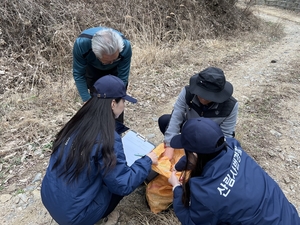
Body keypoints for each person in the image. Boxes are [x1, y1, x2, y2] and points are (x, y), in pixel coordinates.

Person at [41, 75, 158, 225]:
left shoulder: (76, 122)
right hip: (75, 217)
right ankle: (100, 216)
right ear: (113, 103)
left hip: (49, 198)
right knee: (118, 180)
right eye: (123, 101)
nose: (124, 106)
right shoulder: (107, 137)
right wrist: (147, 161)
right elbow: (122, 185)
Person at [168, 117, 300, 225]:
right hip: (289, 217)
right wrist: (181, 165)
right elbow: (204, 152)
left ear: (195, 155)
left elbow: (191, 220)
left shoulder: (207, 193)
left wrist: (176, 188)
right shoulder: (232, 146)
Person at [159, 66, 238, 160]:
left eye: (208, 96)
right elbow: (176, 116)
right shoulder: (187, 92)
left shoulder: (230, 106)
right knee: (165, 120)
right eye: (201, 93)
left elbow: (226, 136)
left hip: (211, 139)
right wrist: (169, 145)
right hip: (191, 128)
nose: (203, 98)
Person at [73, 27, 132, 132]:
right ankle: (97, 133)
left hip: (116, 71)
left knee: (116, 102)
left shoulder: (125, 46)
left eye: (114, 59)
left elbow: (123, 77)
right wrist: (87, 100)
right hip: (93, 69)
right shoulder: (82, 44)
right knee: (96, 102)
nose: (110, 63)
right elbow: (78, 74)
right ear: (96, 53)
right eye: (107, 61)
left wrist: (118, 97)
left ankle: (116, 133)